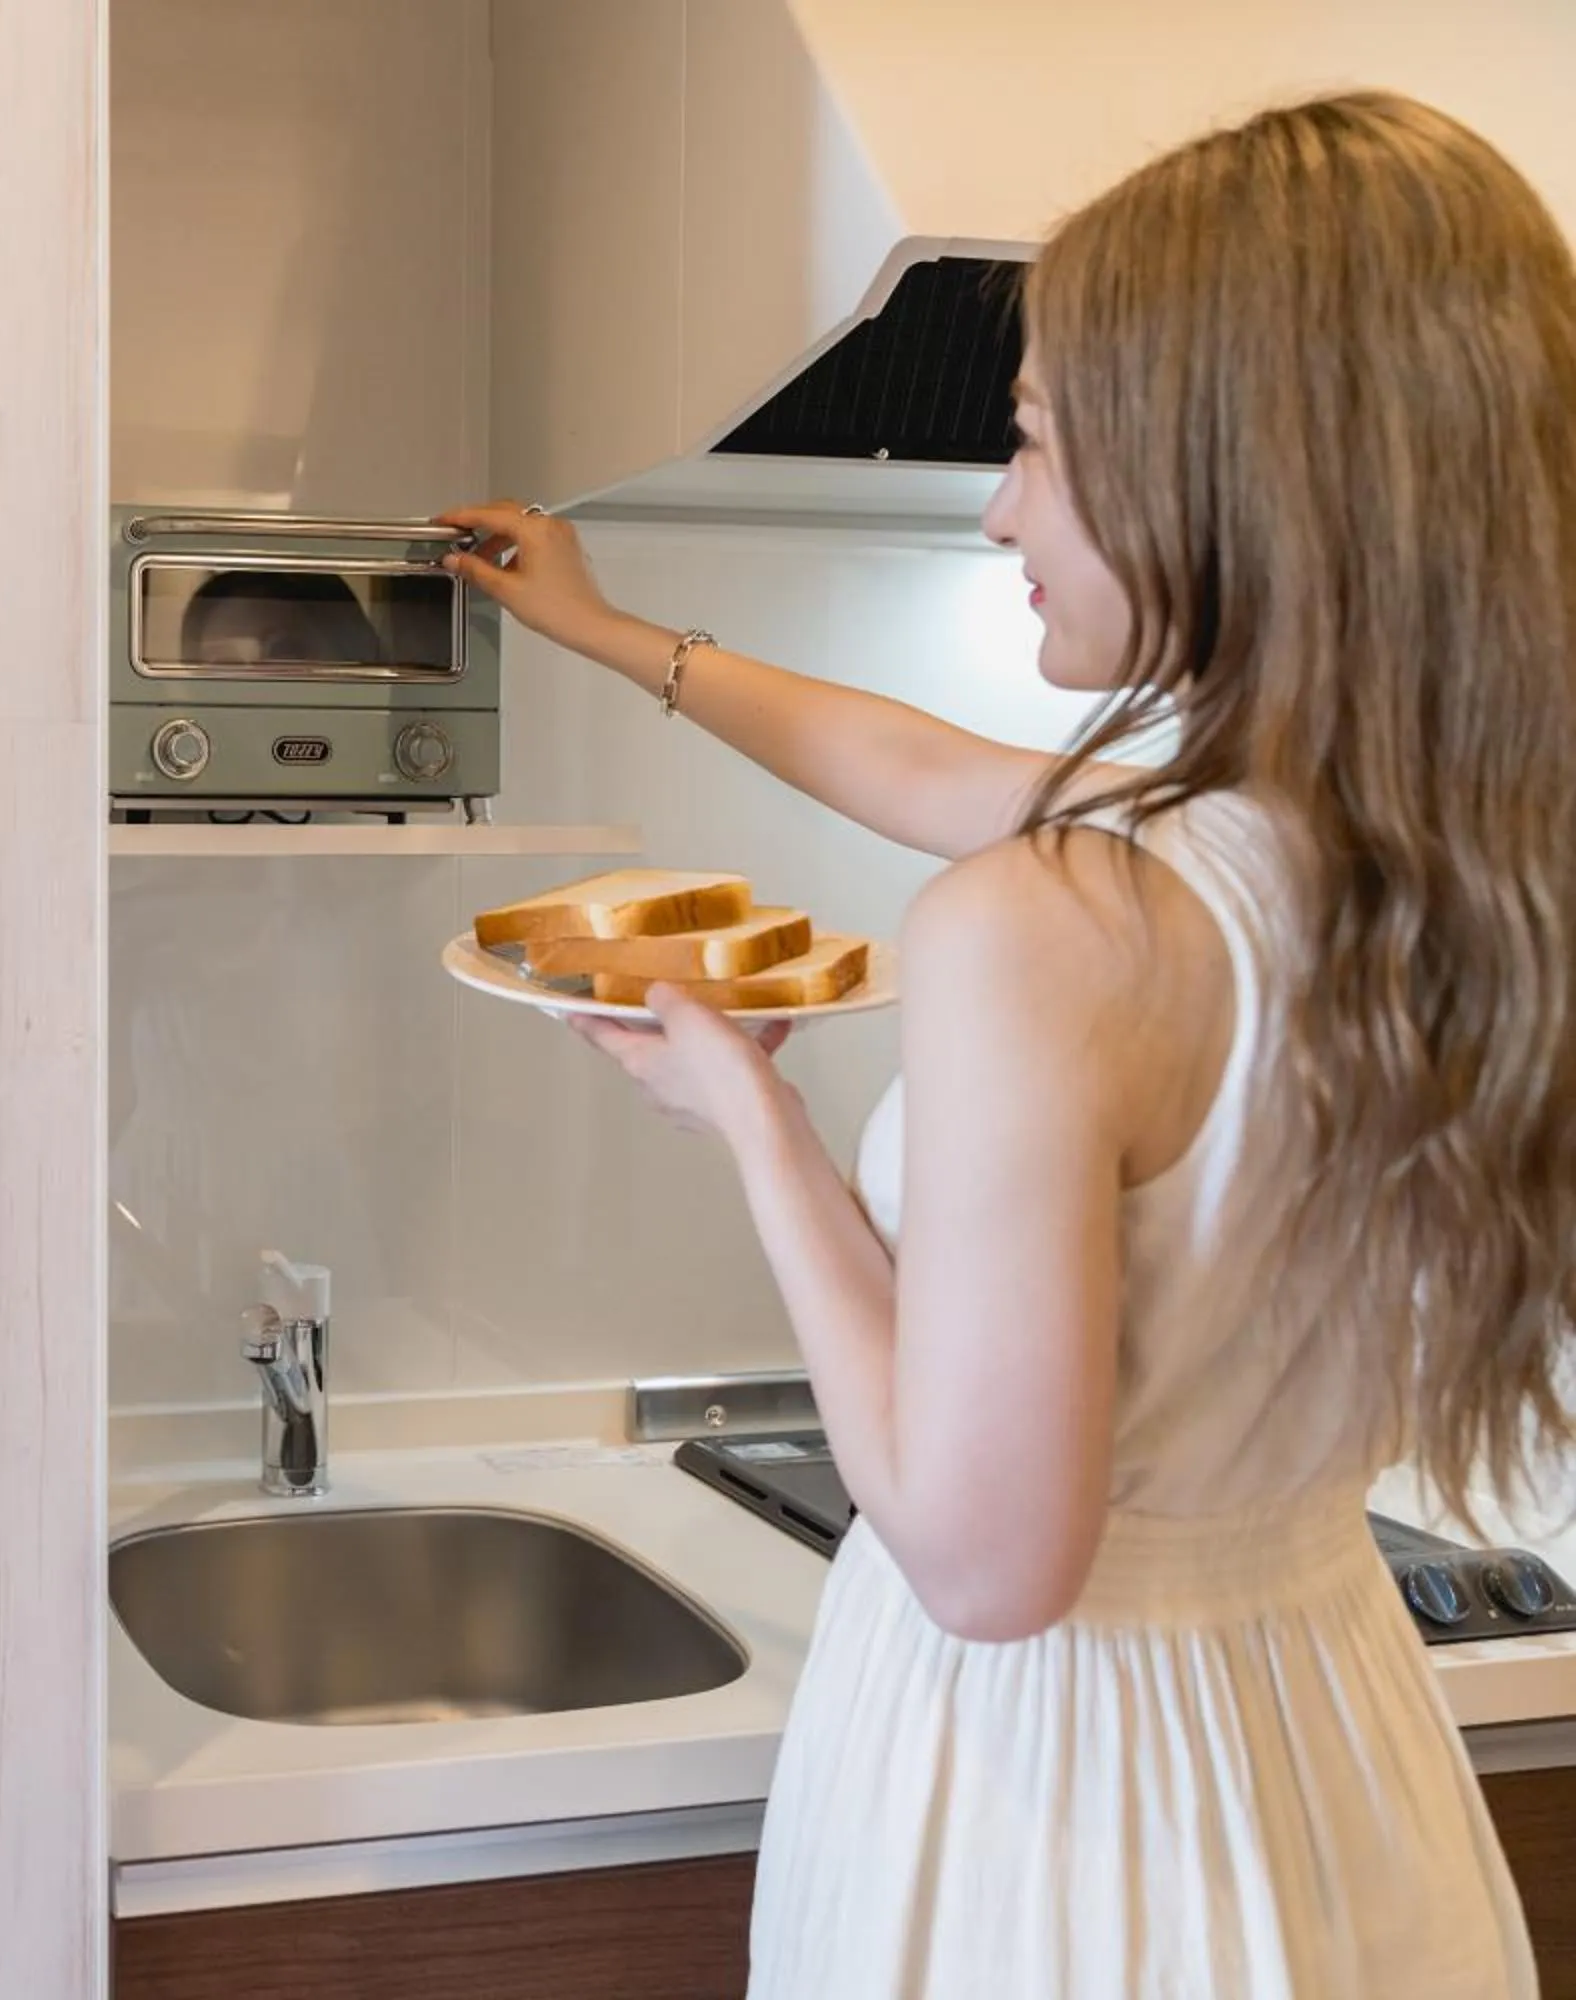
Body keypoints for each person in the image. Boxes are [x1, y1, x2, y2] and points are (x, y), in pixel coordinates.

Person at [439, 91, 1575, 1998]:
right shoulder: (1436, 865)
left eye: (1037, 441)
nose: (998, 506)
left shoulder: (1046, 926)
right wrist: (613, 632)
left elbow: (984, 1564)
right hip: (1339, 1757)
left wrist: (754, 1120)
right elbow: (910, 760)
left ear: (1220, 468)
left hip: (1058, 1824)